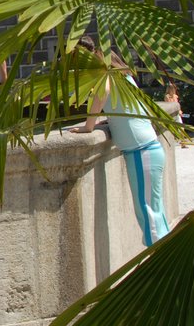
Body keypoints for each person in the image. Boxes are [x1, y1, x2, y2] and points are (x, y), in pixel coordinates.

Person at [71, 39, 169, 248]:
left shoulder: (105, 75)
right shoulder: (121, 74)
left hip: (142, 152)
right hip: (147, 150)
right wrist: (111, 120)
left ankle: (161, 263)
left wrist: (89, 127)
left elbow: (103, 92)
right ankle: (167, 257)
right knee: (154, 212)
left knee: (147, 212)